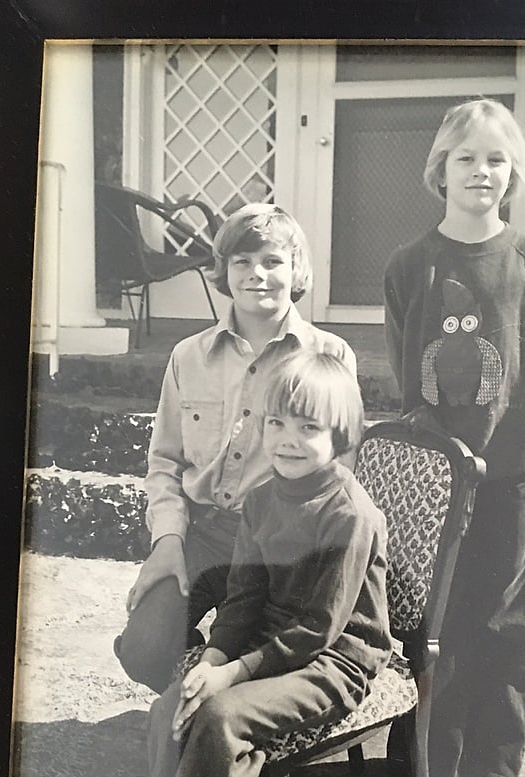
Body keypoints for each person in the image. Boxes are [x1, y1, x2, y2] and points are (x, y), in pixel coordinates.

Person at [86, 351, 393, 777]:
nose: (287, 440)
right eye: (277, 423)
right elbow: (244, 597)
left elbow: (317, 629)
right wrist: (214, 658)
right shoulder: (261, 498)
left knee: (224, 716)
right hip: (271, 637)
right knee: (178, 698)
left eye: (309, 428)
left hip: (332, 659)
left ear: (343, 435)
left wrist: (232, 679)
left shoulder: (350, 515)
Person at [383, 98, 525, 777]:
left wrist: (515, 443)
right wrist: (441, 449)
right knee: (440, 613)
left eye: (496, 159)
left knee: (507, 615)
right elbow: (406, 375)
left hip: (510, 468)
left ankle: (496, 759)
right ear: (441, 170)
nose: (482, 171)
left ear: (513, 170)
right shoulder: (409, 264)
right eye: (467, 158)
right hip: (436, 471)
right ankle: (437, 755)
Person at [115, 204, 356, 694]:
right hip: (203, 533)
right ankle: (186, 691)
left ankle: (220, 717)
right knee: (144, 647)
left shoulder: (330, 357)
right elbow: (165, 462)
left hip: (280, 543)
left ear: (296, 269)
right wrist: (167, 542)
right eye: (242, 262)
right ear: (224, 270)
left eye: (272, 261)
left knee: (254, 659)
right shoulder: (189, 355)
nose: (257, 275)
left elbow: (340, 469)